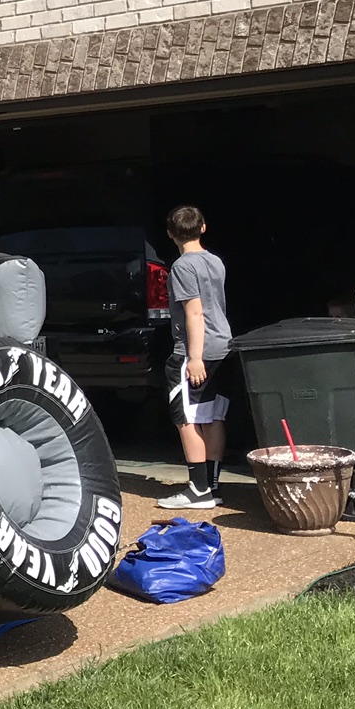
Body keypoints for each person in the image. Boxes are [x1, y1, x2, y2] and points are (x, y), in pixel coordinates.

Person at [158, 204, 233, 512]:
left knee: (186, 418)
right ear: (203, 228)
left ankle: (198, 489)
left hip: (196, 350)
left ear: (170, 234)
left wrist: (194, 357)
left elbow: (194, 311)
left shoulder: (182, 267)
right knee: (213, 416)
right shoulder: (215, 262)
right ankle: (212, 485)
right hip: (223, 344)